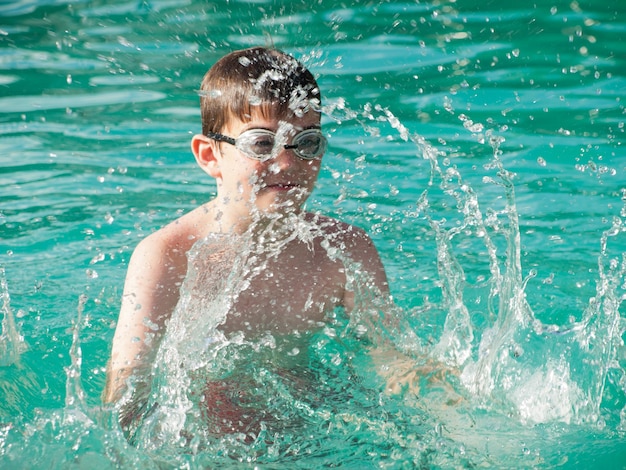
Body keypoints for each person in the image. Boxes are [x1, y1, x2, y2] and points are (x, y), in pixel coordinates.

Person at [102, 47, 391, 435]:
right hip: (202, 434)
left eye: (306, 142)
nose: (288, 163)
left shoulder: (344, 249)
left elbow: (392, 356)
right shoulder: (166, 256)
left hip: (312, 421)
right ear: (210, 155)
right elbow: (126, 387)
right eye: (261, 143)